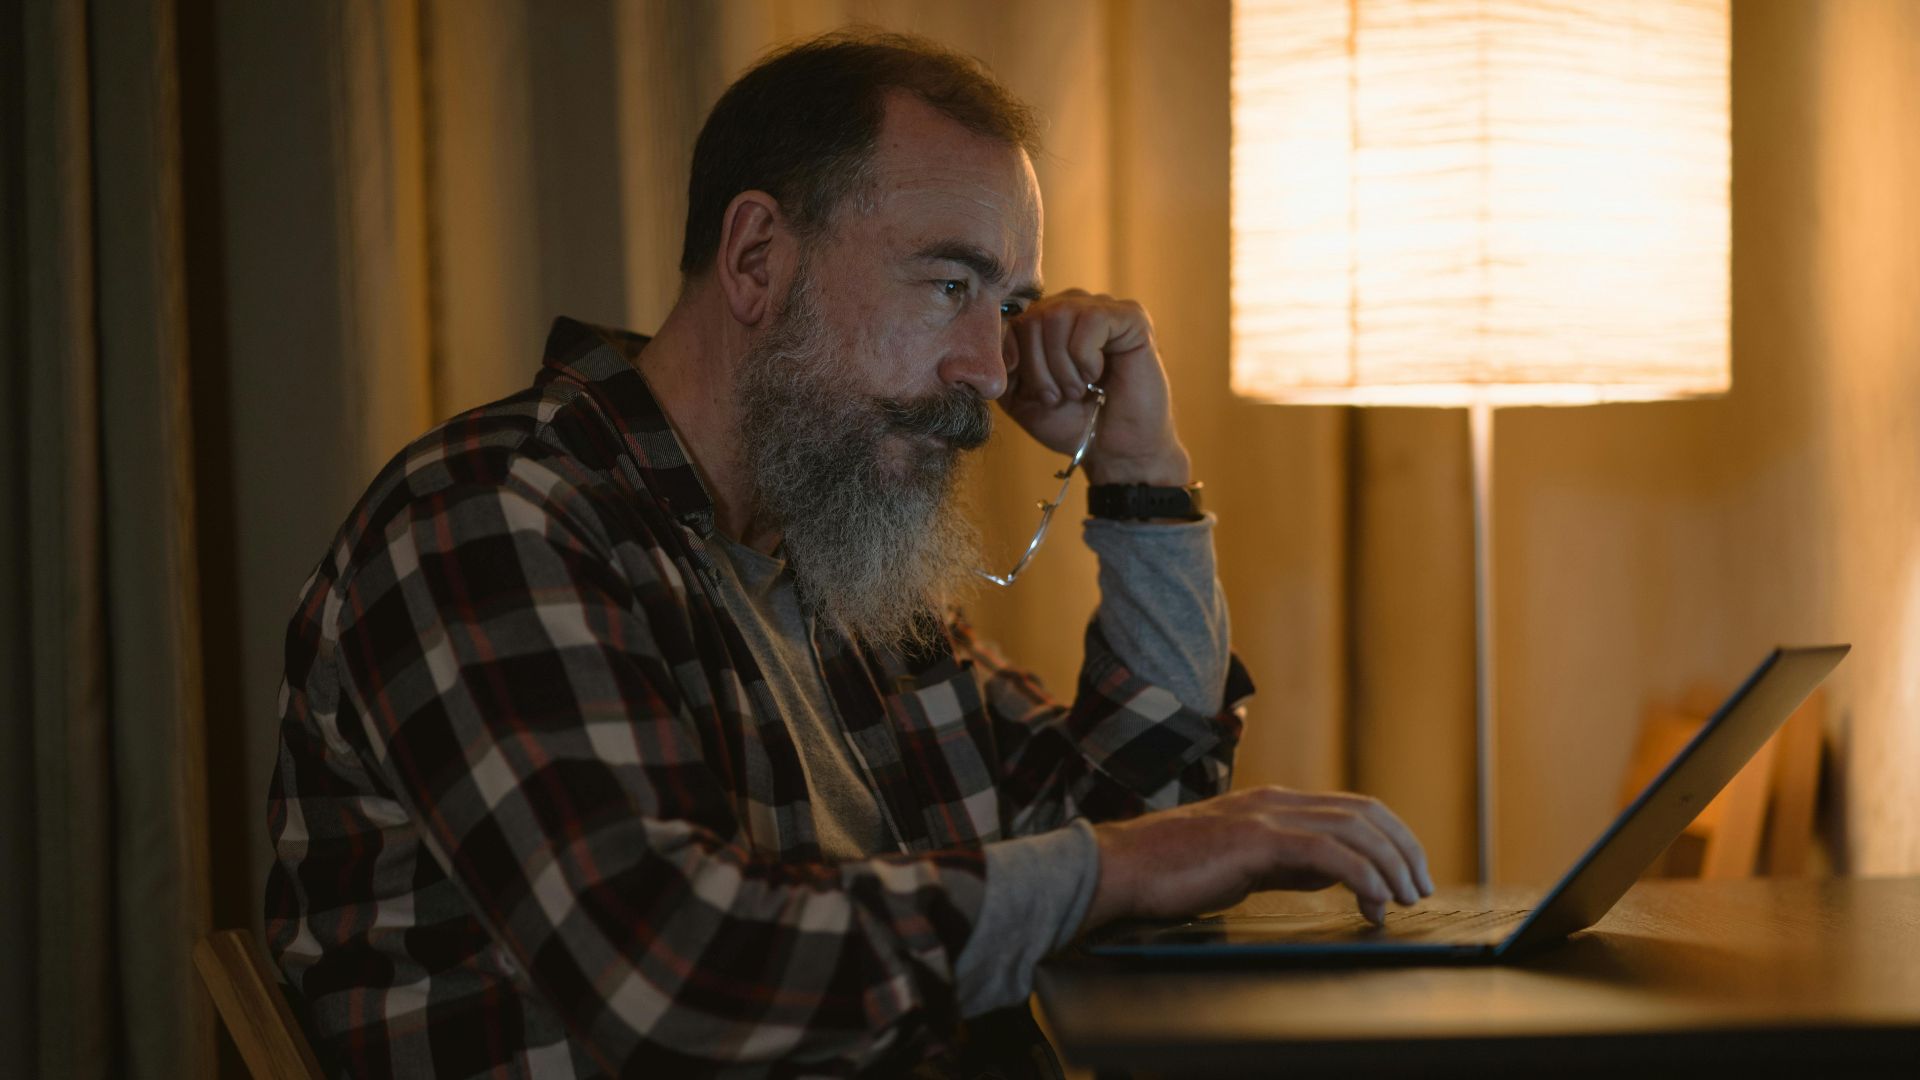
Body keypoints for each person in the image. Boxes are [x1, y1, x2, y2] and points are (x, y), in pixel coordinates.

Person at [265, 29, 1433, 1077]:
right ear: (757, 257)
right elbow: (675, 976)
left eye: (1010, 301)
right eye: (948, 283)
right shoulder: (492, 521)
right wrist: (1124, 865)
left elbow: (1137, 824)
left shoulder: (837, 544)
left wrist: (1142, 476)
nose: (990, 363)